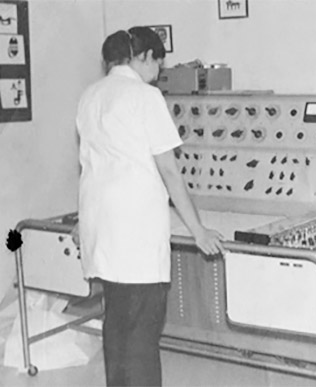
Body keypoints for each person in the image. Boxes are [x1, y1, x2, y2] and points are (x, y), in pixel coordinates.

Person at [75, 26, 224, 386]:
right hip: (135, 234)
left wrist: (81, 221)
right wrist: (198, 230)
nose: (159, 70)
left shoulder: (89, 96)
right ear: (141, 56)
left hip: (103, 227)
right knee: (142, 336)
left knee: (116, 328)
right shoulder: (144, 97)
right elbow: (170, 171)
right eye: (157, 61)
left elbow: (88, 167)